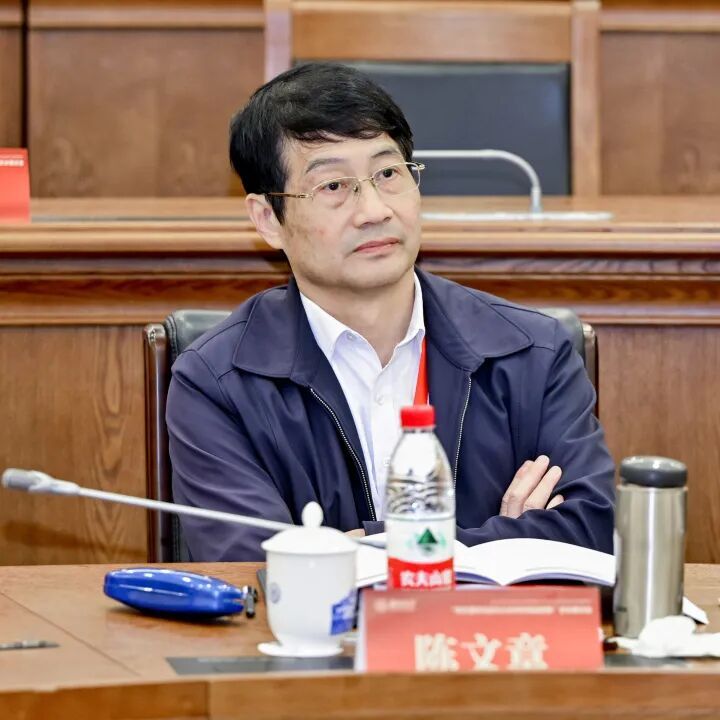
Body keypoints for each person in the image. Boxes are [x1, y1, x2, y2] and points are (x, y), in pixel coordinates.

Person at [167, 63, 614, 561]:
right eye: (333, 186)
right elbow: (258, 565)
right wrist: (506, 542)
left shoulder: (535, 352)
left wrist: (349, 546)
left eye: (388, 174)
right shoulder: (216, 382)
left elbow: (589, 533)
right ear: (268, 218)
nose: (375, 210)